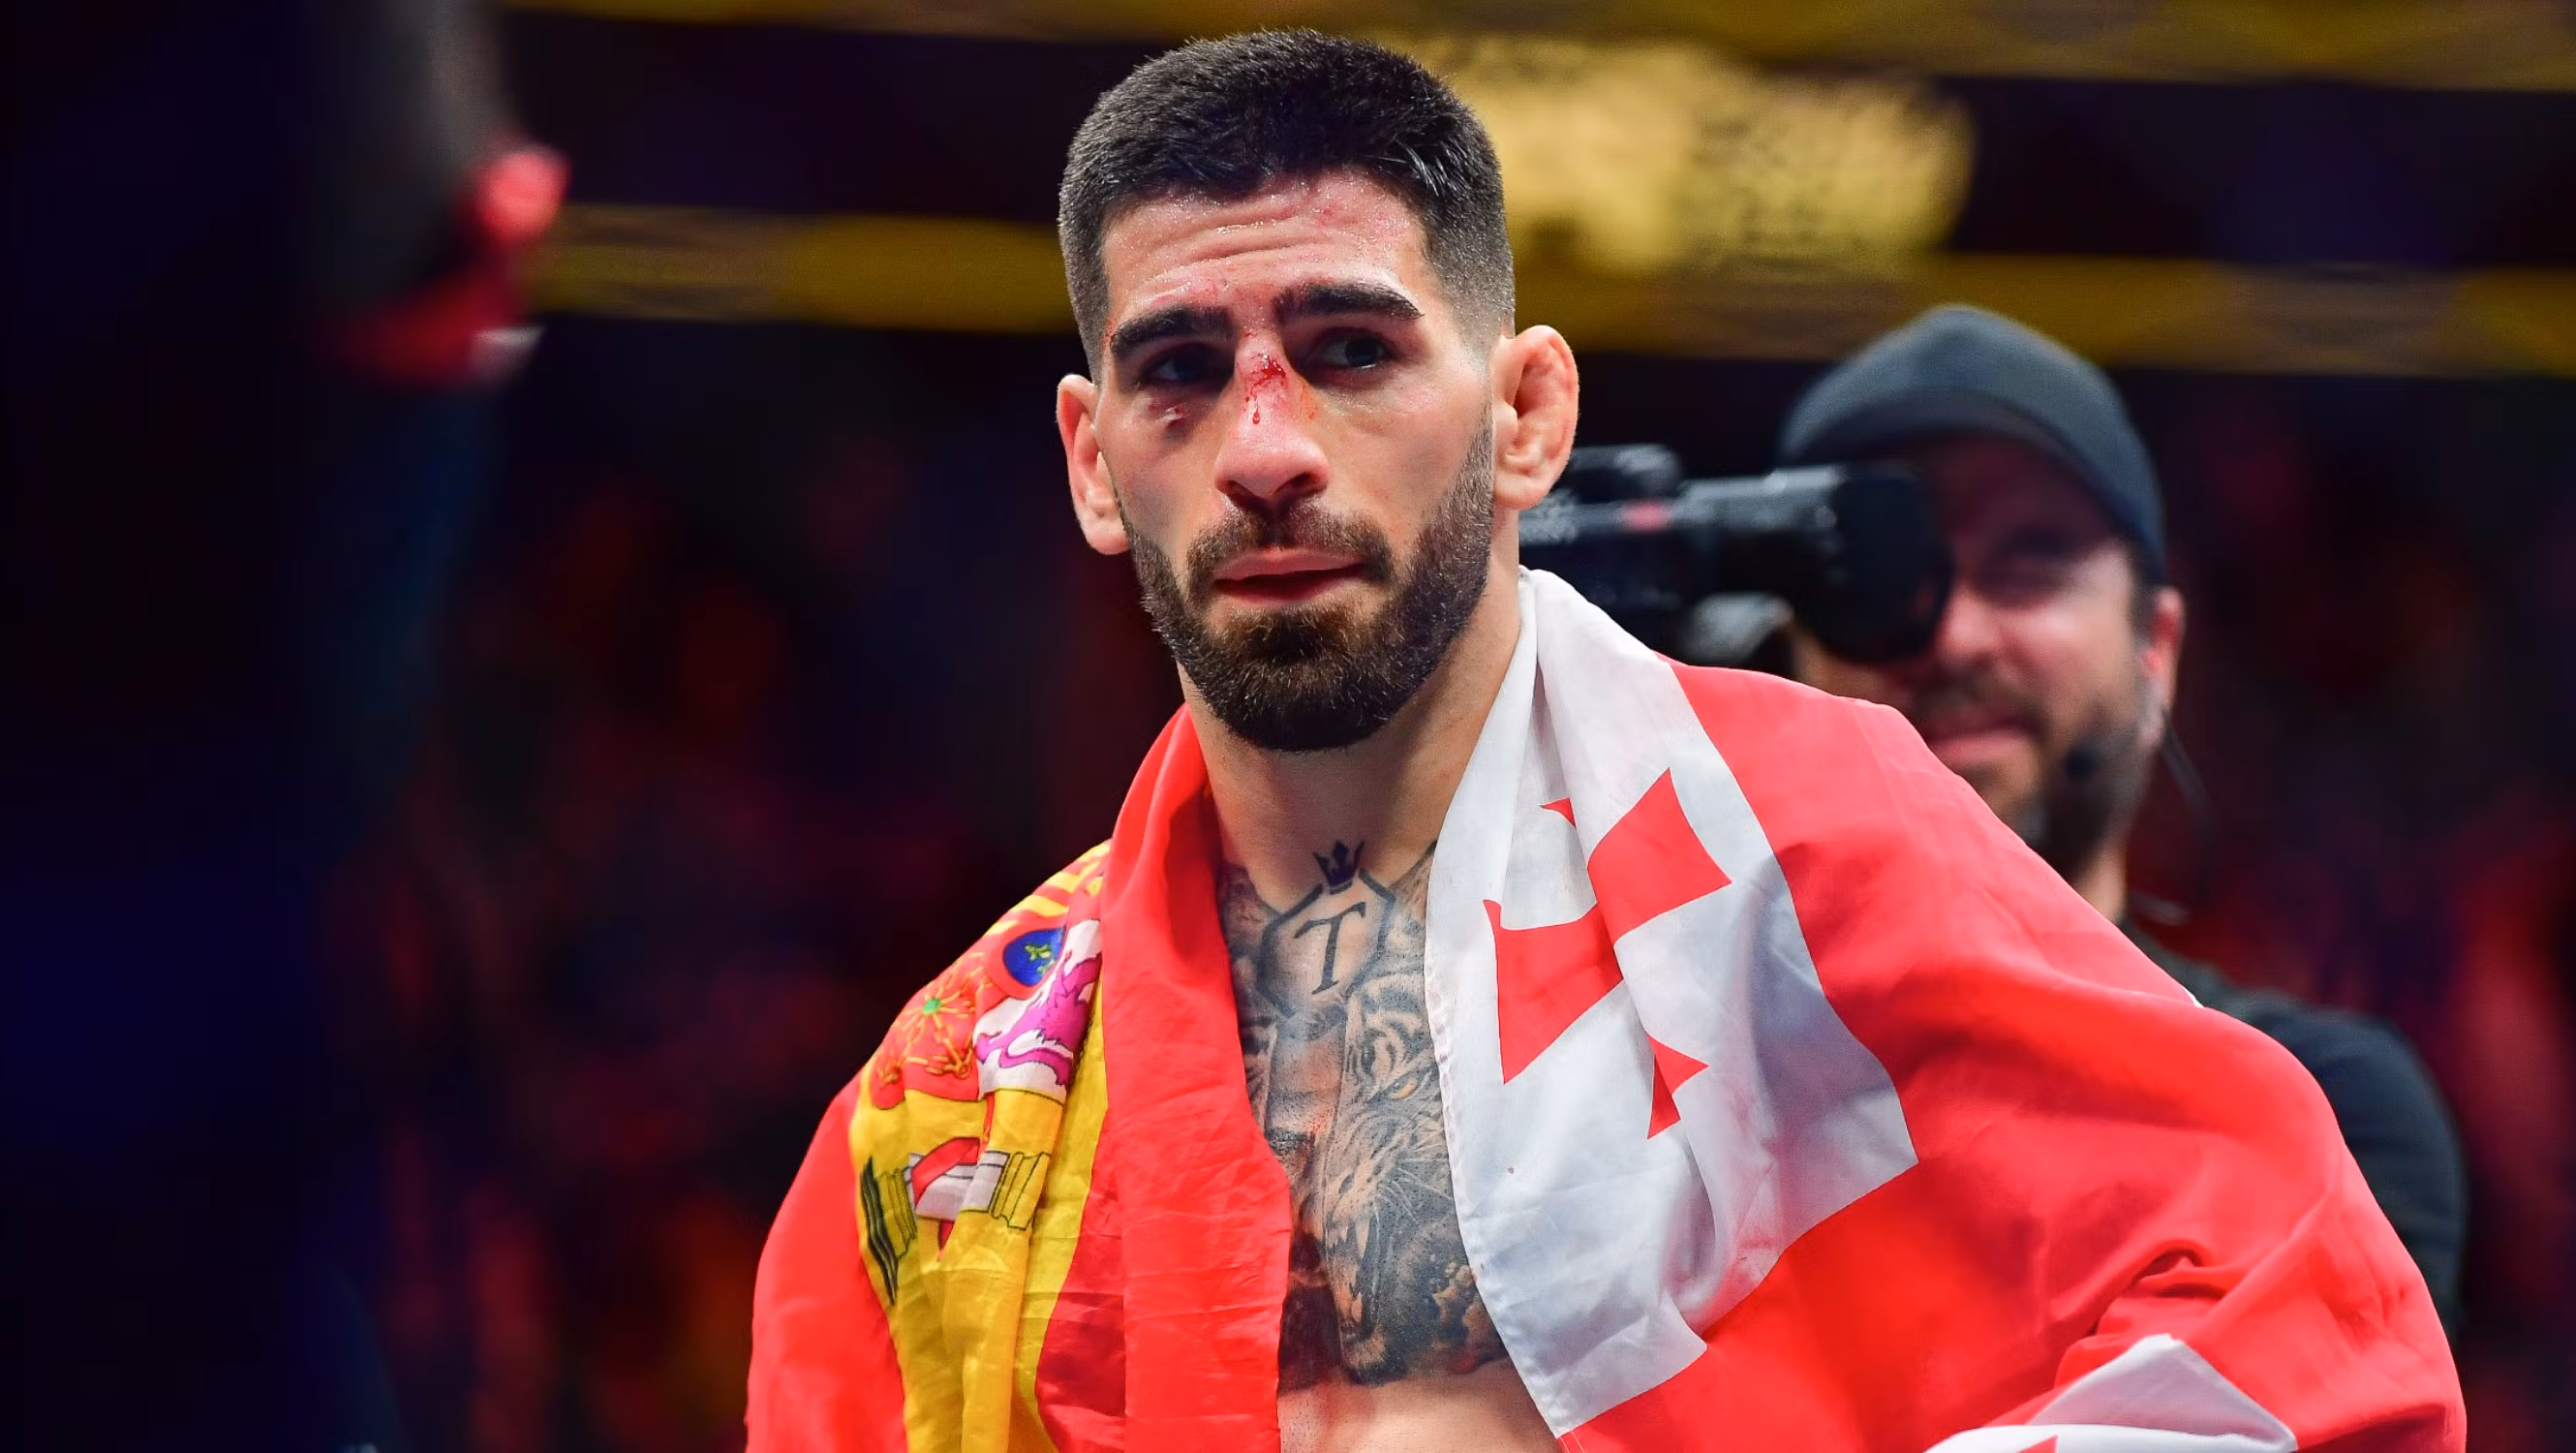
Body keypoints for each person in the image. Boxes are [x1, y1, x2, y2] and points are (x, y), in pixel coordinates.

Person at [748, 31, 2459, 1453]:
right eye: (1181, 370)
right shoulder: (961, 1096)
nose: (1264, 448)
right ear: (1091, 460)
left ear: (1525, 416)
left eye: (1352, 350)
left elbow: (2305, 1336)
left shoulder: (1809, 840)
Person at [1776, 304, 2469, 1333]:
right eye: (1879, 579)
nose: (1952, 634)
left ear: (2158, 651)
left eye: (2029, 560)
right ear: (1790, 658)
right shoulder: (1673, 1089)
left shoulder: (2314, 1107)